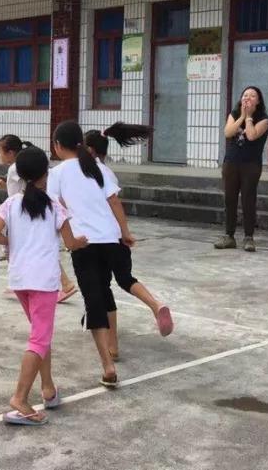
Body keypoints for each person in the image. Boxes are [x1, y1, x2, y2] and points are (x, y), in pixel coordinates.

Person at [48, 121, 172, 389]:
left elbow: (56, 209)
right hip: (112, 239)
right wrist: (125, 233)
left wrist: (61, 239)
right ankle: (151, 308)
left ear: (58, 146)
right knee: (113, 287)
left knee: (95, 301)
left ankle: (108, 366)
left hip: (85, 244)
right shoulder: (99, 168)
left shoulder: (57, 174)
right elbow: (114, 202)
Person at [0, 146, 85, 426]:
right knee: (39, 339)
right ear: (46, 173)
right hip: (43, 281)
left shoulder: (11, 203)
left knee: (40, 335)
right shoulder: (54, 204)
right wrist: (83, 242)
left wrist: (11, 244)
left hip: (19, 279)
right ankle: (20, 398)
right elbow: (70, 242)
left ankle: (48, 389)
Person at [84, 122, 171, 361]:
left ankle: (112, 347)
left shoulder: (84, 171)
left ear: (89, 150)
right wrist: (125, 232)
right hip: (116, 238)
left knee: (103, 289)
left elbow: (113, 203)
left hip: (98, 239)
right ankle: (155, 304)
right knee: (125, 279)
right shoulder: (108, 171)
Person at [0, 134, 78, 304]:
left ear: (11, 153)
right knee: (40, 248)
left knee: (19, 249)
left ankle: (59, 283)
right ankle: (62, 283)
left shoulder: (14, 169)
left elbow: (17, 196)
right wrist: (5, 186)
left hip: (23, 215)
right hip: (29, 209)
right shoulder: (19, 171)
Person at [216, 86, 268, 252]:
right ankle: (229, 236)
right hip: (231, 162)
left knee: (248, 199)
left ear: (258, 101)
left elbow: (252, 135)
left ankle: (248, 237)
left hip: (251, 165)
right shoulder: (234, 114)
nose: (248, 98)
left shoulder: (264, 119)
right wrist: (241, 116)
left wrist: (248, 118)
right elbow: (228, 132)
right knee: (230, 199)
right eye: (245, 95)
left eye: (252, 96)